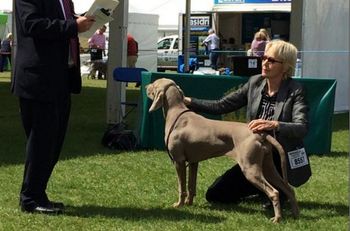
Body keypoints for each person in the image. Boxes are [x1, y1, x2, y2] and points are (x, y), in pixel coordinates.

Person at [184, 40, 311, 208]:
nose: (265, 63)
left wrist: (274, 124)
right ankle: (261, 190)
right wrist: (190, 101)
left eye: (271, 60)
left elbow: (302, 128)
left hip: (280, 157)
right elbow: (222, 105)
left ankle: (275, 192)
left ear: (286, 66)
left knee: (270, 202)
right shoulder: (255, 83)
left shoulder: (296, 90)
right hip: (255, 153)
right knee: (215, 194)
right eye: (264, 57)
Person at [12, 0, 95, 214]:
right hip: (37, 79)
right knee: (41, 141)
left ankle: (38, 193)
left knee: (53, 143)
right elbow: (32, 24)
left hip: (60, 79)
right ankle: (30, 198)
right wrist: (73, 26)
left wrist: (80, 20)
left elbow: (59, 22)